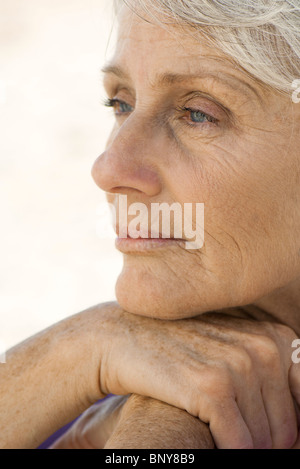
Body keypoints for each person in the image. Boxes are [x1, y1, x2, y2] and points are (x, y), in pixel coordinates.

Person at [1, 0, 300, 449]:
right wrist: (83, 346)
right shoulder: (91, 393)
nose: (109, 168)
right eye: (120, 103)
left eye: (198, 113)